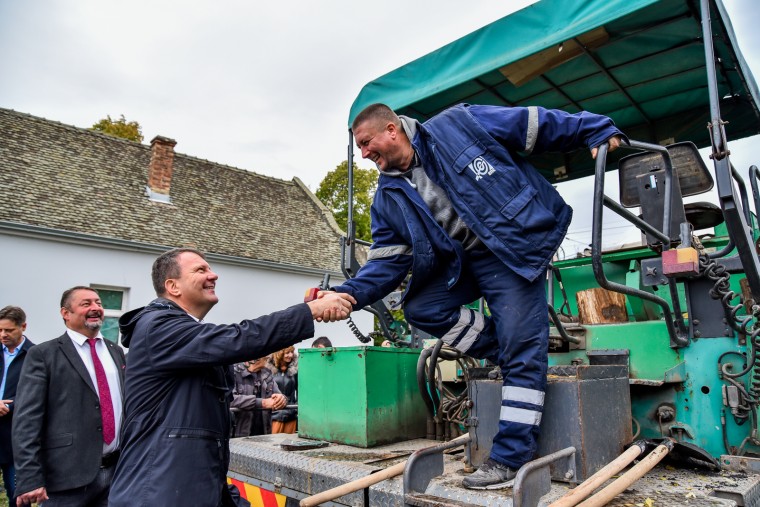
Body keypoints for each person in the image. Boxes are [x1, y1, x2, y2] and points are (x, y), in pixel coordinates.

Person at [331, 103, 624, 489]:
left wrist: (596, 128)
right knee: (421, 306)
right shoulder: (388, 196)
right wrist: (344, 294)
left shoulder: (458, 124)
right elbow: (385, 263)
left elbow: (531, 125)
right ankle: (508, 349)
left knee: (523, 349)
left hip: (512, 247)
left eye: (366, 143)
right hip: (462, 261)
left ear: (391, 130)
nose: (365, 154)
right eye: (360, 149)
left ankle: (509, 457)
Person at [108, 247, 355, 507]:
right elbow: (238, 338)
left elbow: (197, 442)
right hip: (157, 494)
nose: (213, 275)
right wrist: (309, 311)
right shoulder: (158, 326)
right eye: (200, 270)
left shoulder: (184, 335)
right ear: (173, 286)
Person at [14, 287, 126, 506]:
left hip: (116, 473)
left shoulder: (116, 351)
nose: (96, 308)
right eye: (86, 304)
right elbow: (27, 419)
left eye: (99, 303)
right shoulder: (44, 354)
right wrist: (29, 477)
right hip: (66, 477)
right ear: (65, 313)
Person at [0, 306, 35, 506]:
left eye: (9, 330)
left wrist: (10, 407)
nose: (3, 335)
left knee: (18, 495)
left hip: (17, 436)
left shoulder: (35, 354)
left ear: (23, 327)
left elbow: (36, 393)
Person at [230, 358, 286, 437]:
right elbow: (229, 399)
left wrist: (282, 399)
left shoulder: (267, 375)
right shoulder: (234, 372)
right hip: (238, 435)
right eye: (266, 357)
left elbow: (278, 395)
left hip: (264, 435)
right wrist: (262, 403)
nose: (268, 359)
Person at [267, 347, 298, 434]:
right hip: (274, 416)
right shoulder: (268, 369)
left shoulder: (295, 370)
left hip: (291, 415)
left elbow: (300, 390)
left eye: (292, 352)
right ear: (279, 353)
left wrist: (296, 408)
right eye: (287, 352)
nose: (290, 355)